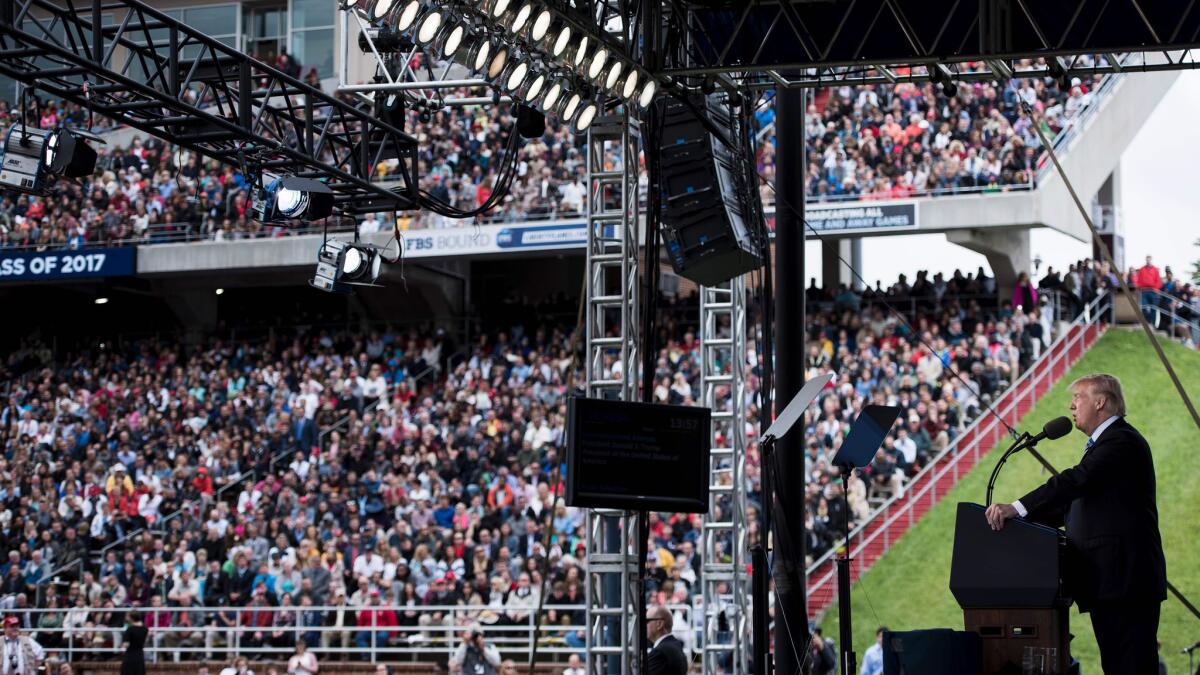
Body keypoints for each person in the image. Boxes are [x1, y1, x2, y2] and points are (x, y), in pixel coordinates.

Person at [986, 373, 1167, 674]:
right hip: (1110, 582)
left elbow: (1075, 481)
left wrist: (1017, 508)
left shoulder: (1121, 441)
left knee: (1132, 667)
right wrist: (1021, 524)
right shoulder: (1104, 446)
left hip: (1126, 581)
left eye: (1078, 397)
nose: (1071, 406)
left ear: (1100, 401)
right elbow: (1072, 507)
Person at [645, 605, 687, 675]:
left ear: (659, 624)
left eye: (647, 621)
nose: (644, 625)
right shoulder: (675, 644)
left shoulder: (659, 653)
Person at [120, 610, 147, 675]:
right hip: (140, 656)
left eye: (127, 616)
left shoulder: (130, 629)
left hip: (130, 656)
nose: (126, 618)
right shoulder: (145, 629)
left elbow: (126, 644)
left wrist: (121, 646)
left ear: (131, 618)